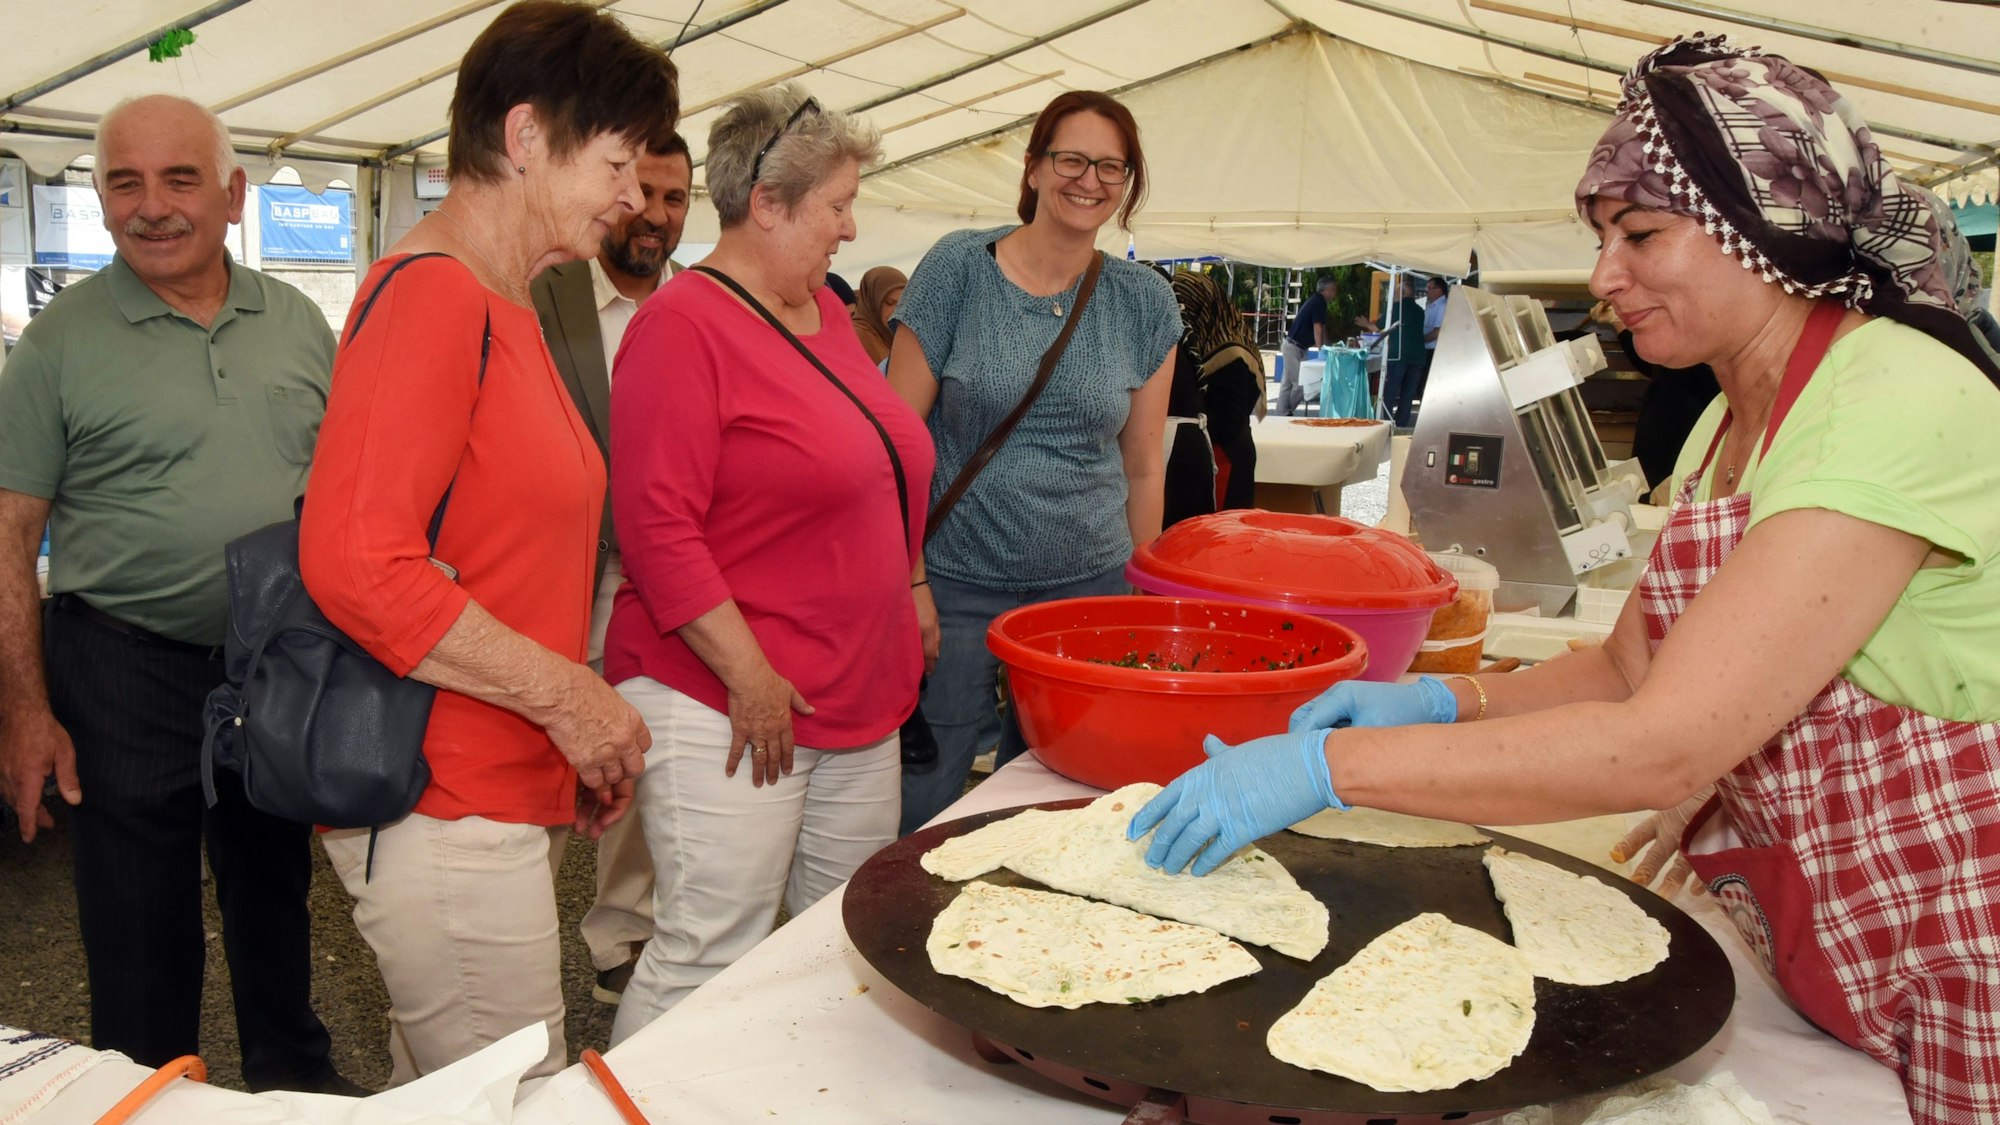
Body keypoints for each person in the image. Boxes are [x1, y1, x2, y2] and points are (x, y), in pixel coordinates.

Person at [1129, 34, 2000, 1125]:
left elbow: (1663, 741)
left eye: (1639, 234)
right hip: (1836, 934)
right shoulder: (1734, 421)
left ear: (1761, 229)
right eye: (1598, 239)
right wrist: (1446, 699)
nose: (1602, 278)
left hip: (1959, 940)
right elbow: (1632, 664)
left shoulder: (1892, 395)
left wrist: (1333, 764)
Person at [298, 0, 673, 1082]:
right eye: (613, 163)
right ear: (523, 139)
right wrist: (572, 699)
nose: (629, 195)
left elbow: (503, 559)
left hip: (492, 790)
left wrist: (566, 739)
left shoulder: (513, 300)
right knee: (513, 1096)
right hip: (439, 803)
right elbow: (358, 561)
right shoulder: (435, 298)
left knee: (452, 1094)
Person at [0, 94, 361, 1095]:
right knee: (135, 920)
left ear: (234, 195)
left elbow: (338, 505)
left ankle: (292, 1084)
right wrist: (24, 711)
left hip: (269, 662)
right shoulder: (59, 342)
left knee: (273, 888)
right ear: (103, 200)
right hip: (119, 666)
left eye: (179, 179)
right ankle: (146, 1094)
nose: (152, 206)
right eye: (126, 182)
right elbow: (9, 536)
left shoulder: (293, 322)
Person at [604, 84, 932, 1045]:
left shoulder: (825, 313)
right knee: (712, 947)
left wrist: (908, 584)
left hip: (850, 693)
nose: (849, 225)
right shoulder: (681, 326)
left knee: (844, 942)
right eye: (834, 203)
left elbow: (879, 462)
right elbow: (656, 528)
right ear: (769, 203)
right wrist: (748, 675)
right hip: (731, 693)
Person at [889, 90, 1180, 835]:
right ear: (1034, 167)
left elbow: (1145, 464)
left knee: (1057, 795)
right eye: (1072, 159)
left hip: (1086, 590)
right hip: (953, 581)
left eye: (1111, 167)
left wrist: (1141, 602)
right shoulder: (958, 268)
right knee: (925, 790)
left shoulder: (1143, 301)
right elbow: (894, 437)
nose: (1090, 180)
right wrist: (908, 576)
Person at [529, 128, 693, 1006]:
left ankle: (621, 934)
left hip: (656, 595)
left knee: (643, 763)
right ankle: (514, 952)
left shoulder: (701, 309)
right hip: (553, 587)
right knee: (547, 774)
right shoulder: (541, 291)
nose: (653, 216)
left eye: (674, 200)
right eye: (642, 193)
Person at [1171, 270, 1264, 512]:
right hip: (1221, 457)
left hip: (1224, 461)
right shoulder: (1214, 340)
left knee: (1217, 538)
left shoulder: (1229, 354)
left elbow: (1227, 422)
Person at [1362, 274, 1427, 427]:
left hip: (1397, 356)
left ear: (1404, 292)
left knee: (1390, 392)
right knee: (1408, 394)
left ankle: (1386, 422)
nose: (1395, 293)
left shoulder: (1395, 308)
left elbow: (1378, 328)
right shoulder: (1420, 310)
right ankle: (1402, 423)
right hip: (1418, 357)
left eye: (1397, 291)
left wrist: (1366, 323)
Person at [1276, 274, 1335, 416]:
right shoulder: (1319, 301)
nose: (1334, 294)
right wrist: (1322, 349)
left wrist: (1327, 346)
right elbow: (1318, 328)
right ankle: (1286, 411)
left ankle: (1281, 413)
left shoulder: (1317, 301)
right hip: (1294, 347)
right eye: (1334, 290)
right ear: (1327, 289)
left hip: (1295, 345)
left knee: (1288, 383)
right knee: (1301, 384)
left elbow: (1322, 327)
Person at [851, 264, 907, 365]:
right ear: (873, 303)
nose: (897, 310)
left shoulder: (901, 334)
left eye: (902, 302)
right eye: (889, 303)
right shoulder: (857, 337)